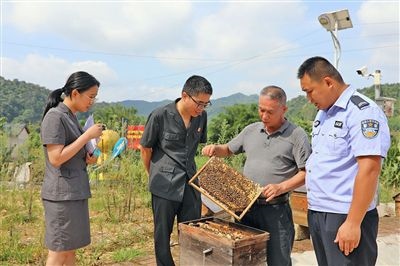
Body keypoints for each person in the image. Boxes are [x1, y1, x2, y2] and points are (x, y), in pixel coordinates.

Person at [202, 85, 311, 266]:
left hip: (275, 211)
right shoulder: (251, 130)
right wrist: (215, 149)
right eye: (261, 110)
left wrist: (280, 187)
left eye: (270, 112)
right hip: (245, 208)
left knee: (279, 260)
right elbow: (229, 149)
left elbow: (306, 172)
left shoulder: (297, 135)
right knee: (246, 259)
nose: (264, 116)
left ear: (284, 109)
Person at [297, 56, 391, 266]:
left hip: (345, 215)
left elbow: (369, 168)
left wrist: (353, 222)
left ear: (328, 82)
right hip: (320, 212)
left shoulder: (362, 112)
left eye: (309, 91)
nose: (308, 98)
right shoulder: (323, 114)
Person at [139, 75, 213, 266]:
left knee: (192, 232)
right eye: (199, 103)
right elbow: (146, 149)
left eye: (206, 104)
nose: (201, 108)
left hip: (190, 182)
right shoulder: (160, 115)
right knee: (162, 235)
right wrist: (153, 174)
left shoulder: (201, 117)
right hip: (164, 184)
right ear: (184, 96)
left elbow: (195, 148)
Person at [40, 71, 104, 266]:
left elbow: (70, 153)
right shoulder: (55, 117)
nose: (92, 101)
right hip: (61, 195)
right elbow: (56, 158)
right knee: (58, 251)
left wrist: (87, 158)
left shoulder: (71, 117)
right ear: (75, 93)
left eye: (95, 97)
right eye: (90, 96)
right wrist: (86, 136)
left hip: (74, 192)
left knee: (69, 250)